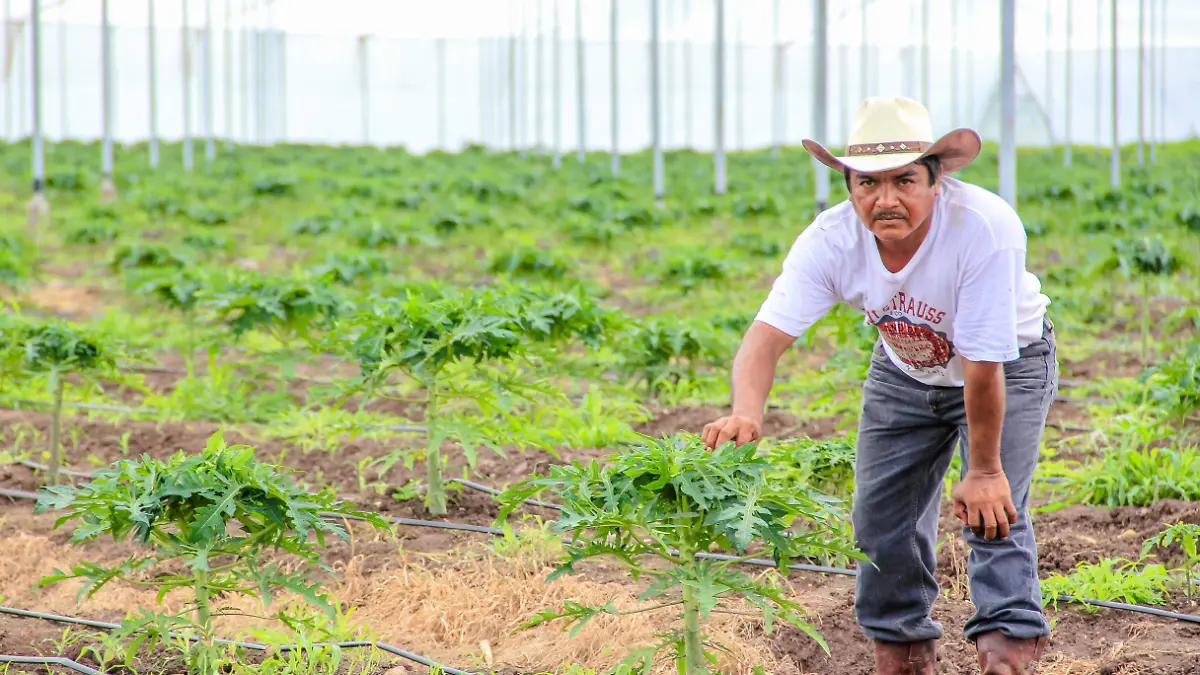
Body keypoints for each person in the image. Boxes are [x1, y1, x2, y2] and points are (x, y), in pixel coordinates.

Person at [701, 97, 1058, 675]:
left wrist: (985, 470)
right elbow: (764, 337)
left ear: (936, 180)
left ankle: (1008, 654)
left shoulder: (984, 228)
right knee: (879, 520)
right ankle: (902, 652)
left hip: (1004, 366)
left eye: (904, 181)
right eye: (867, 183)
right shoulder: (831, 240)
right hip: (905, 367)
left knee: (994, 513)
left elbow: (983, 363)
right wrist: (746, 411)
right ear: (847, 185)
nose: (886, 199)